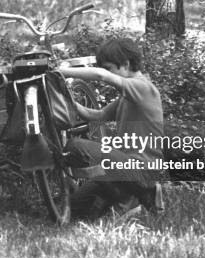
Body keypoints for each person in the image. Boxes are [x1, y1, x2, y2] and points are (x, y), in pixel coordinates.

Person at [58, 38, 165, 220]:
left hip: (142, 170)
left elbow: (101, 76)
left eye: (109, 67)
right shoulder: (128, 97)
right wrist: (68, 101)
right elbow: (97, 115)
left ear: (125, 64)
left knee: (75, 146)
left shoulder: (144, 88)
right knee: (73, 209)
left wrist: (60, 72)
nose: (107, 72)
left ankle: (148, 191)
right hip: (123, 168)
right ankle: (123, 198)